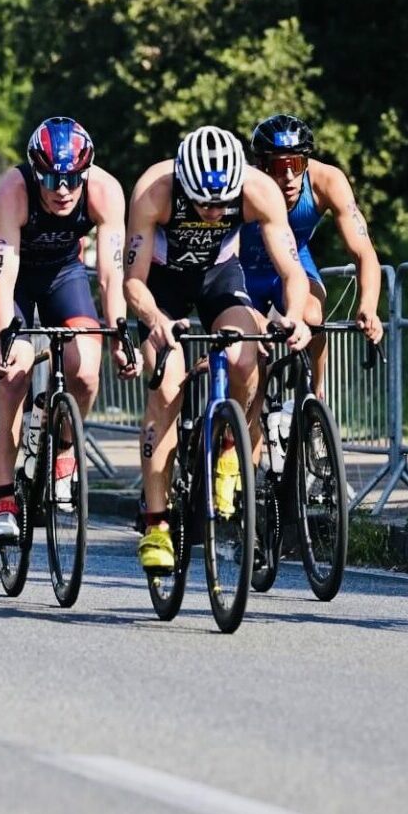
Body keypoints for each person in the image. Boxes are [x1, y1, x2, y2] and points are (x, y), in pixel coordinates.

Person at [124, 126, 312, 570]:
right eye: (204, 203)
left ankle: (230, 445)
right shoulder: (155, 190)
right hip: (162, 286)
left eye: (222, 204)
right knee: (166, 391)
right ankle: (156, 524)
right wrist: (154, 321)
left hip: (218, 279)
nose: (213, 212)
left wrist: (295, 316)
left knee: (247, 356)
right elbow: (133, 280)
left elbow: (293, 271)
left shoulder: (258, 189)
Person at [0, 117, 135, 543]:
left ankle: (65, 447)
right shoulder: (12, 191)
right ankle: (1, 492)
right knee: (14, 372)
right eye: (50, 178)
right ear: (35, 171)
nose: (62, 189)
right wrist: (3, 339)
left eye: (71, 179)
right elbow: (3, 272)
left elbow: (109, 273)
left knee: (85, 368)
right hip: (14, 278)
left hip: (64, 275)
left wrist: (121, 334)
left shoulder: (105, 191)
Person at [239, 115, 385, 394]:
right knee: (249, 365)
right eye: (279, 168)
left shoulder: (327, 181)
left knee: (313, 316)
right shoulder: (244, 187)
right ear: (260, 166)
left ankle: (316, 398)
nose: (290, 178)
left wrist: (368, 306)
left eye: (297, 164)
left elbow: (365, 254)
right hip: (245, 272)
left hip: (294, 265)